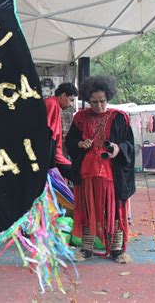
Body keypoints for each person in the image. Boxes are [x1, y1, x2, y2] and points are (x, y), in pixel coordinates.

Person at [65, 76, 135, 263]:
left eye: (102, 101)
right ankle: (86, 248)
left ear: (108, 98)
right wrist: (80, 143)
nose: (99, 106)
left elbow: (129, 143)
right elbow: (69, 142)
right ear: (88, 100)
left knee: (114, 209)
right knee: (88, 208)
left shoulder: (119, 117)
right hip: (87, 172)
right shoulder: (80, 118)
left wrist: (118, 148)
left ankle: (117, 250)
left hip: (112, 173)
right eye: (94, 102)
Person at [45, 82, 78, 180]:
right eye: (71, 100)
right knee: (76, 174)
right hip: (52, 156)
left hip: (55, 154)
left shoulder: (53, 103)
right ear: (63, 95)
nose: (71, 104)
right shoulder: (51, 103)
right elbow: (45, 132)